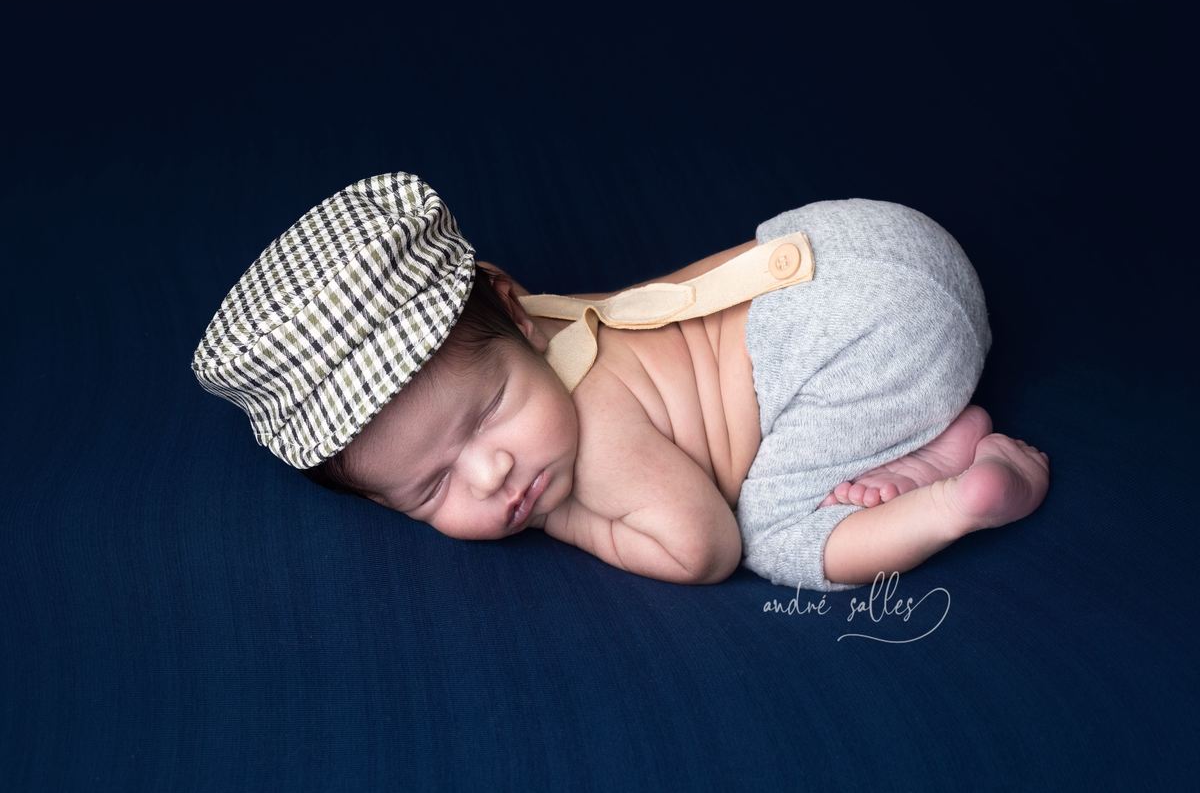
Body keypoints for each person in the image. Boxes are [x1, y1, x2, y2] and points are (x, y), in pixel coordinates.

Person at [192, 172, 1049, 591]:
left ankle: (954, 497)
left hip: (863, 335)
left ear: (514, 314)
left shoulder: (593, 445)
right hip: (876, 240)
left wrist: (566, 516)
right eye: (431, 487)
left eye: (487, 415)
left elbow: (702, 551)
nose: (491, 473)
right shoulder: (540, 321)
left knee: (773, 537)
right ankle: (926, 439)